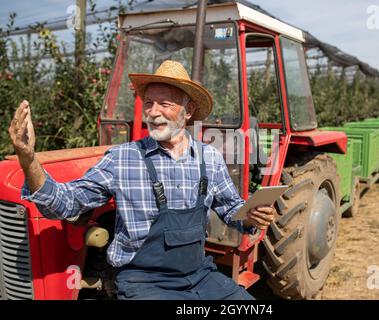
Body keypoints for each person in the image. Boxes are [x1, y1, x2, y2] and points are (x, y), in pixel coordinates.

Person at [8, 60, 276, 300]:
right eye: (149, 102)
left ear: (189, 110)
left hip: (201, 275)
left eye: (165, 104)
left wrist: (251, 216)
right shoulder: (122, 159)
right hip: (144, 283)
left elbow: (232, 211)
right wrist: (29, 159)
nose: (154, 111)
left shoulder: (210, 158)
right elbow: (65, 204)